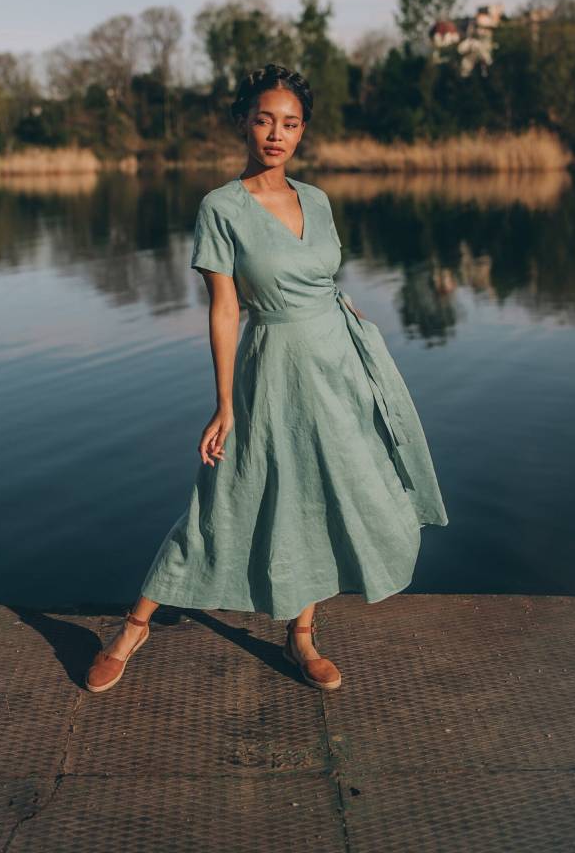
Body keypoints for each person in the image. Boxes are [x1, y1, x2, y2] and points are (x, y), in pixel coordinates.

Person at [86, 63, 449, 694]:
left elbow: (323, 277)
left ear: (303, 130)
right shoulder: (221, 208)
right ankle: (135, 624)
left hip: (341, 362)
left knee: (327, 492)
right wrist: (224, 403)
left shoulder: (318, 200)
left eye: (290, 123)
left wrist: (350, 324)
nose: (276, 134)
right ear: (243, 123)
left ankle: (302, 635)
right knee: (221, 496)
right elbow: (226, 308)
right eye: (264, 120)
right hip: (271, 367)